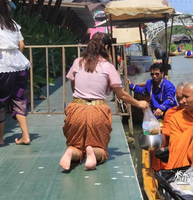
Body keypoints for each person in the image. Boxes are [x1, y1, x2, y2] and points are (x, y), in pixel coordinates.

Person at [59, 32, 149, 171]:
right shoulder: (108, 67)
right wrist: (139, 103)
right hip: (97, 110)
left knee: (75, 145)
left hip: (76, 109)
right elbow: (121, 95)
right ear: (106, 47)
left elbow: (73, 85)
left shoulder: (78, 62)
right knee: (100, 149)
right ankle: (92, 151)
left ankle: (71, 152)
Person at [0, 0, 31, 145]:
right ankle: (26, 136)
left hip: (3, 66)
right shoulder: (12, 23)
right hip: (19, 64)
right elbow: (22, 45)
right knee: (19, 99)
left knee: (1, 101)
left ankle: (0, 138)